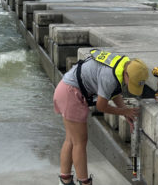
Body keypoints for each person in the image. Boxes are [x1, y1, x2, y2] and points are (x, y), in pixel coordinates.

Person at [53, 49, 149, 185]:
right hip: (71, 94)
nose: (128, 86)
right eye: (130, 83)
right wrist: (124, 112)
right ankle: (84, 182)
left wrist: (124, 109)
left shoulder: (121, 65)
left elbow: (113, 93)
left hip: (65, 89)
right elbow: (101, 106)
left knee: (71, 139)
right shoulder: (109, 76)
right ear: (126, 74)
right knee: (80, 142)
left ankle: (65, 180)